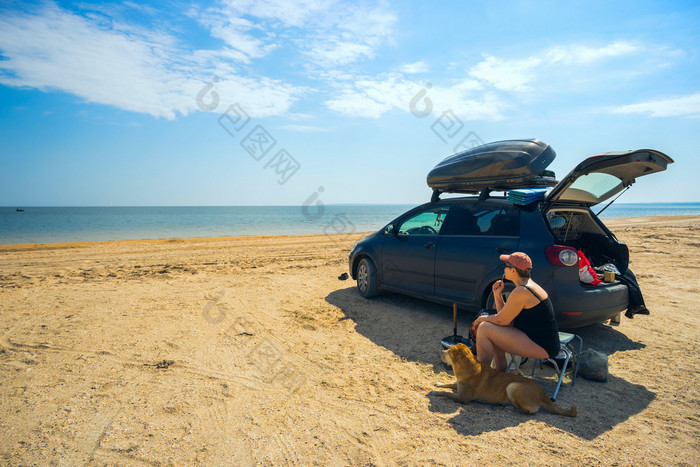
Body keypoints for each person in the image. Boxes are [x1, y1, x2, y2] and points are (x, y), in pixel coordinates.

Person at [471, 252, 560, 372]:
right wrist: (498, 295)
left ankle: (480, 376)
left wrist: (481, 318)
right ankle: (499, 372)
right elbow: (506, 321)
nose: (503, 269)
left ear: (513, 271)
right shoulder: (527, 287)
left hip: (542, 345)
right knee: (492, 327)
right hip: (537, 340)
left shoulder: (522, 290)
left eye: (505, 266)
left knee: (484, 328)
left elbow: (502, 320)